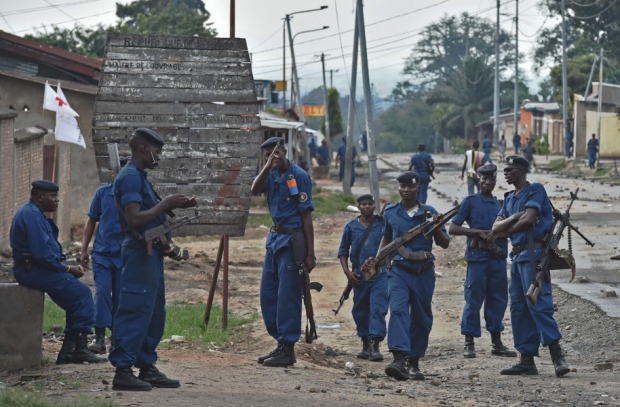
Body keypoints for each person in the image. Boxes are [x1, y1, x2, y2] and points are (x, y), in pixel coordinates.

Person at [109, 128, 197, 391]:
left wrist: (172, 207)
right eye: (157, 151)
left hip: (151, 254)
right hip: (138, 253)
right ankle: (123, 371)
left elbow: (149, 214)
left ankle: (146, 366)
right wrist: (165, 203)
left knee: (154, 312)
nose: (158, 156)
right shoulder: (130, 178)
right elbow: (135, 218)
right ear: (145, 148)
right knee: (135, 309)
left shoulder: (140, 177)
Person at [362, 171, 451, 381]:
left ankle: (414, 361)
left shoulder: (429, 212)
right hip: (399, 271)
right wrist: (377, 260)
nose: (405, 190)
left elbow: (445, 243)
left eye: (410, 187)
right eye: (402, 186)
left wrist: (436, 227)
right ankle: (398, 358)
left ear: (418, 188)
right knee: (399, 311)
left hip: (423, 272)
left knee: (421, 317)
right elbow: (386, 238)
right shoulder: (390, 211)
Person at [10, 180, 107, 366]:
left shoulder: (36, 214)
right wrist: (67, 269)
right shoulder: (30, 216)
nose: (57, 200)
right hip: (31, 271)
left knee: (75, 299)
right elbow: (41, 254)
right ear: (39, 197)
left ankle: (70, 352)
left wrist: (66, 267)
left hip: (36, 269)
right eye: (53, 196)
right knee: (82, 295)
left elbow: (48, 252)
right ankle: (77, 350)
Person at [492, 156, 570, 378]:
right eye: (504, 170)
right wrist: (518, 216)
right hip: (516, 257)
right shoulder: (508, 199)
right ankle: (526, 360)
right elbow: (496, 227)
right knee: (518, 308)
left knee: (539, 305)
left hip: (534, 255)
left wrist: (510, 224)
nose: (505, 173)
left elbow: (531, 218)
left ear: (521, 171)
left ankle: (558, 356)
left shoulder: (535, 190)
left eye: (509, 170)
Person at [251, 137, 316, 368]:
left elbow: (307, 217)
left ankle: (288, 349)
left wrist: (310, 253)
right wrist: (267, 166)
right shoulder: (270, 173)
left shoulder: (298, 177)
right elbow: (254, 190)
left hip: (292, 240)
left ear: (285, 152)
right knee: (268, 294)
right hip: (274, 239)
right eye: (269, 154)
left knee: (287, 297)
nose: (273, 157)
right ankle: (280, 342)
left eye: (276, 153)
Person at [448, 164, 517, 359]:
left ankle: (497, 342)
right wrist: (477, 232)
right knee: (473, 301)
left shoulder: (501, 204)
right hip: (477, 259)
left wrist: (498, 234)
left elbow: (511, 230)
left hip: (497, 258)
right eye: (484, 179)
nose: (488, 183)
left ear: (495, 181)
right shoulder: (470, 202)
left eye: (491, 180)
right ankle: (469, 342)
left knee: (498, 300)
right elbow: (453, 228)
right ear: (478, 180)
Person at [80, 157, 128, 355]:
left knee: (119, 296)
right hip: (102, 253)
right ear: (113, 174)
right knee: (101, 293)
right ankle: (99, 337)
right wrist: (84, 249)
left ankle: (116, 338)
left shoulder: (134, 198)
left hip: (125, 255)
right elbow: (92, 221)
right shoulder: (103, 193)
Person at [337, 194, 388, 362]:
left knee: (377, 309)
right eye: (363, 204)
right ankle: (365, 343)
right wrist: (347, 273)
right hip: (359, 277)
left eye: (370, 204)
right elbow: (343, 252)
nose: (367, 207)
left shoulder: (382, 225)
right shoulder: (351, 227)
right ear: (358, 207)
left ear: (374, 206)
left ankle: (375, 345)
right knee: (360, 311)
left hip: (380, 275)